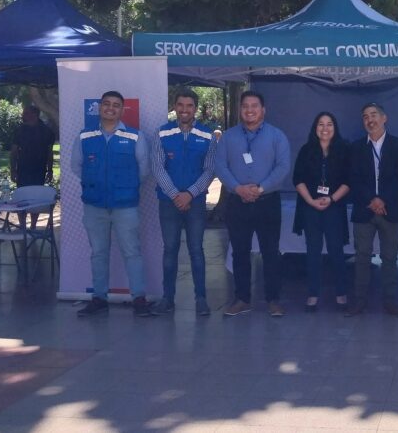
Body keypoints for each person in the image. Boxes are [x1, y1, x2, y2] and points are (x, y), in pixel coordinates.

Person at [69, 90, 154, 318]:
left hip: (125, 205)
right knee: (98, 253)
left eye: (116, 105)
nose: (110, 108)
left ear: (122, 110)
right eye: (106, 104)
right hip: (94, 205)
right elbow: (76, 166)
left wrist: (125, 187)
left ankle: (139, 298)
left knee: (132, 252)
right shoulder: (85, 136)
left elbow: (144, 170)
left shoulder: (135, 137)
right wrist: (96, 184)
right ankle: (99, 298)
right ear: (99, 107)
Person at [215, 91, 291, 318]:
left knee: (271, 252)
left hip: (267, 202)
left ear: (263, 110)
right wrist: (238, 188)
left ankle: (273, 300)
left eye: (254, 106)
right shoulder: (228, 137)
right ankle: (242, 299)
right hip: (237, 202)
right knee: (240, 252)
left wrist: (260, 188)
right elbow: (220, 166)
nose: (250, 110)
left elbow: (283, 167)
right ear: (240, 110)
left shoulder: (277, 136)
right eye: (245, 106)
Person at [150, 89, 217, 317]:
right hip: (168, 202)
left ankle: (201, 299)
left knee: (196, 250)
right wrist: (175, 195)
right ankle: (167, 298)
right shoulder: (162, 133)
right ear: (175, 107)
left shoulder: (207, 135)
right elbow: (157, 167)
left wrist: (189, 194)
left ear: (195, 108)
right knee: (170, 250)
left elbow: (210, 169)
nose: (184, 110)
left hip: (195, 203)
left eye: (189, 105)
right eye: (180, 105)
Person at [346, 103, 398, 317]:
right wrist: (371, 200)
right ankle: (359, 302)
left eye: (373, 115)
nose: (369, 120)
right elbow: (353, 178)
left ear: (384, 118)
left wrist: (382, 200)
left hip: (391, 209)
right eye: (365, 117)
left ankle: (390, 302)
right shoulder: (356, 147)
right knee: (362, 257)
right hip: (364, 210)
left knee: (390, 257)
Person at [292, 112, 351, 312]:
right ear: (315, 128)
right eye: (321, 124)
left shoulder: (343, 150)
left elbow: (349, 181)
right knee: (313, 251)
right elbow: (297, 179)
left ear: (335, 128)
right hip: (310, 207)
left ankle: (341, 293)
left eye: (329, 124)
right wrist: (311, 201)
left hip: (334, 207)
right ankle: (313, 294)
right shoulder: (306, 150)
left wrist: (331, 198)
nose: (325, 128)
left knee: (336, 251)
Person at [10, 105, 56, 226]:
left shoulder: (46, 131)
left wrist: (50, 170)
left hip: (39, 169)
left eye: (26, 113)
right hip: (23, 169)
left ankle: (33, 225)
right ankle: (22, 225)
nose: (23, 115)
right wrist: (13, 170)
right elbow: (14, 151)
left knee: (36, 198)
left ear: (34, 114)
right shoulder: (19, 130)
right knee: (22, 197)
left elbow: (49, 152)